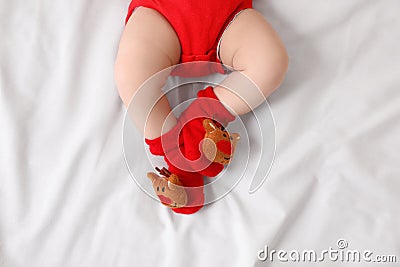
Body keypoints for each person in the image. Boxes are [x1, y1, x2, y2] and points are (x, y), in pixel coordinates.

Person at [114, 0, 288, 214]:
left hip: (228, 17)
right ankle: (178, 156)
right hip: (160, 13)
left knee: (270, 62)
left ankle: (201, 119)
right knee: (132, 77)